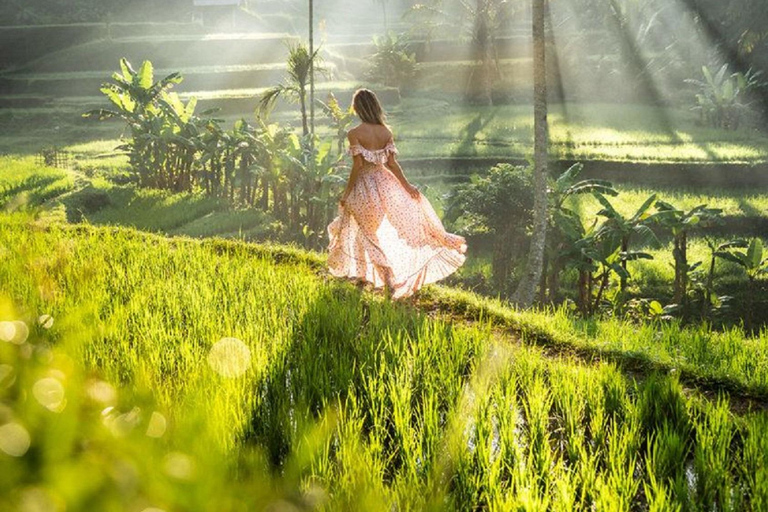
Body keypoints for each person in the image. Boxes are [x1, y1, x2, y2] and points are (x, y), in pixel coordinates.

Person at [327, 88, 467, 300]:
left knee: (367, 234)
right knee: (363, 232)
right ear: (375, 106)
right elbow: (392, 164)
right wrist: (407, 186)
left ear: (357, 108)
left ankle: (388, 277)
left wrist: (347, 192)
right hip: (385, 185)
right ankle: (363, 277)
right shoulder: (385, 132)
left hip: (365, 187)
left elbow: (357, 166)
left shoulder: (354, 133)